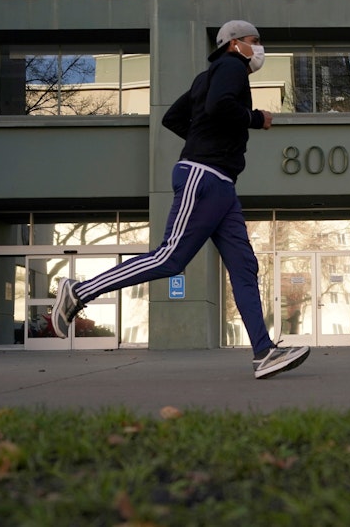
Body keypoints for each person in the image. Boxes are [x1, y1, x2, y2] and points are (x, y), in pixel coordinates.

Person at [51, 20, 310, 379]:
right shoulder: (231, 67)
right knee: (170, 258)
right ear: (235, 44)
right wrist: (255, 118)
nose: (259, 48)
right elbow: (221, 107)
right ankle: (79, 291)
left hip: (221, 186)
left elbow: (173, 118)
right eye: (255, 41)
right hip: (203, 177)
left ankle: (264, 352)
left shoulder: (206, 77)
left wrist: (203, 135)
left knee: (244, 268)